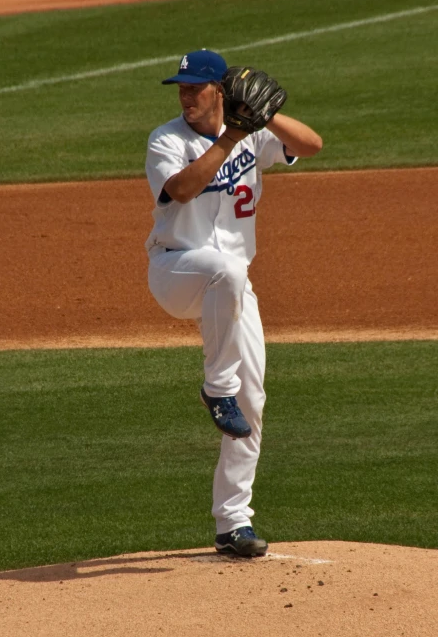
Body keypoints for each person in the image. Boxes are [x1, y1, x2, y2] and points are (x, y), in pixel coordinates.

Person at [144, 49, 322, 557]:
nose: (185, 96)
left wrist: (265, 117)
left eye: (196, 87)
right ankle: (214, 388)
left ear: (220, 91)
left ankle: (233, 523)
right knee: (225, 268)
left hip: (234, 289)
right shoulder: (167, 139)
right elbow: (180, 190)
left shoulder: (252, 130)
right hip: (176, 271)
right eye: (180, 87)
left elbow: (311, 146)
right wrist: (231, 138)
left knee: (254, 400)